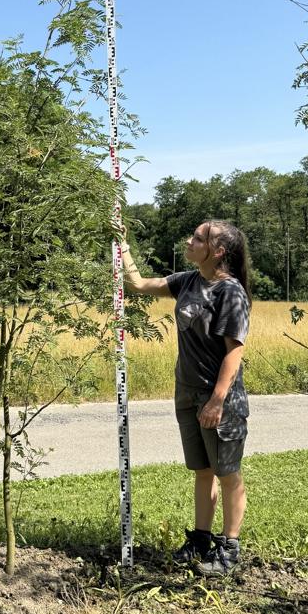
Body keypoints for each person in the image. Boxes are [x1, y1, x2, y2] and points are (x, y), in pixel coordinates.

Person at [120, 220, 252, 576]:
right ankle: (200, 539)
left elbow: (234, 352)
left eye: (198, 238)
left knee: (228, 473)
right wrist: (123, 245)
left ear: (218, 251)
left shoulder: (230, 292)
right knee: (202, 470)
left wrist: (218, 400)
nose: (189, 241)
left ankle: (229, 547)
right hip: (187, 392)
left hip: (218, 398)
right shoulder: (188, 281)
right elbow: (138, 285)